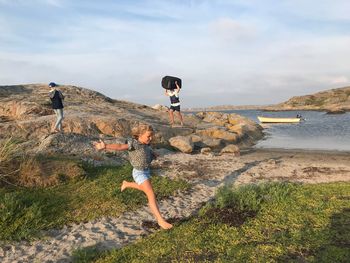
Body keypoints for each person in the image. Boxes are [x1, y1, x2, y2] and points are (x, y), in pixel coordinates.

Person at [93, 124, 173, 230]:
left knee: (146, 190)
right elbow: (120, 147)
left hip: (146, 171)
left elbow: (146, 151)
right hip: (139, 173)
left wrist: (153, 154)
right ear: (139, 135)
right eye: (148, 136)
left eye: (151, 136)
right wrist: (105, 146)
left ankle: (127, 184)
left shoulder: (146, 144)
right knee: (150, 194)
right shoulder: (134, 143)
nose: (150, 138)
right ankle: (160, 220)